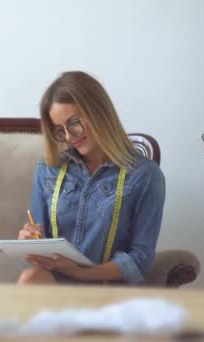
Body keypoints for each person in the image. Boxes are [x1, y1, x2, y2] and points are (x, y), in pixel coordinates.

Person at [17, 71, 165, 285]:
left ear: (98, 112)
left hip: (109, 288)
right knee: (31, 277)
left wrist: (80, 273)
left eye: (74, 122)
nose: (68, 137)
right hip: (56, 286)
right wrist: (29, 242)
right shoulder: (49, 169)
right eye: (59, 130)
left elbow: (140, 259)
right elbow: (41, 246)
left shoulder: (145, 175)